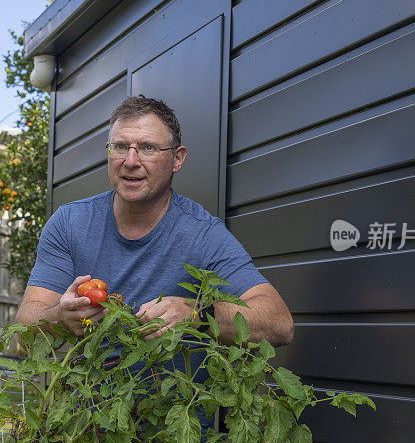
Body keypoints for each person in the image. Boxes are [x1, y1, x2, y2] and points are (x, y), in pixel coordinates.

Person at [16, 96, 294, 350]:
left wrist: (196, 315)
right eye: (120, 146)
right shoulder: (70, 223)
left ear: (177, 158)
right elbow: (23, 330)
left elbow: (281, 324)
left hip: (173, 404)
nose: (130, 161)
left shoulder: (202, 234)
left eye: (148, 148)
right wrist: (60, 317)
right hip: (88, 403)